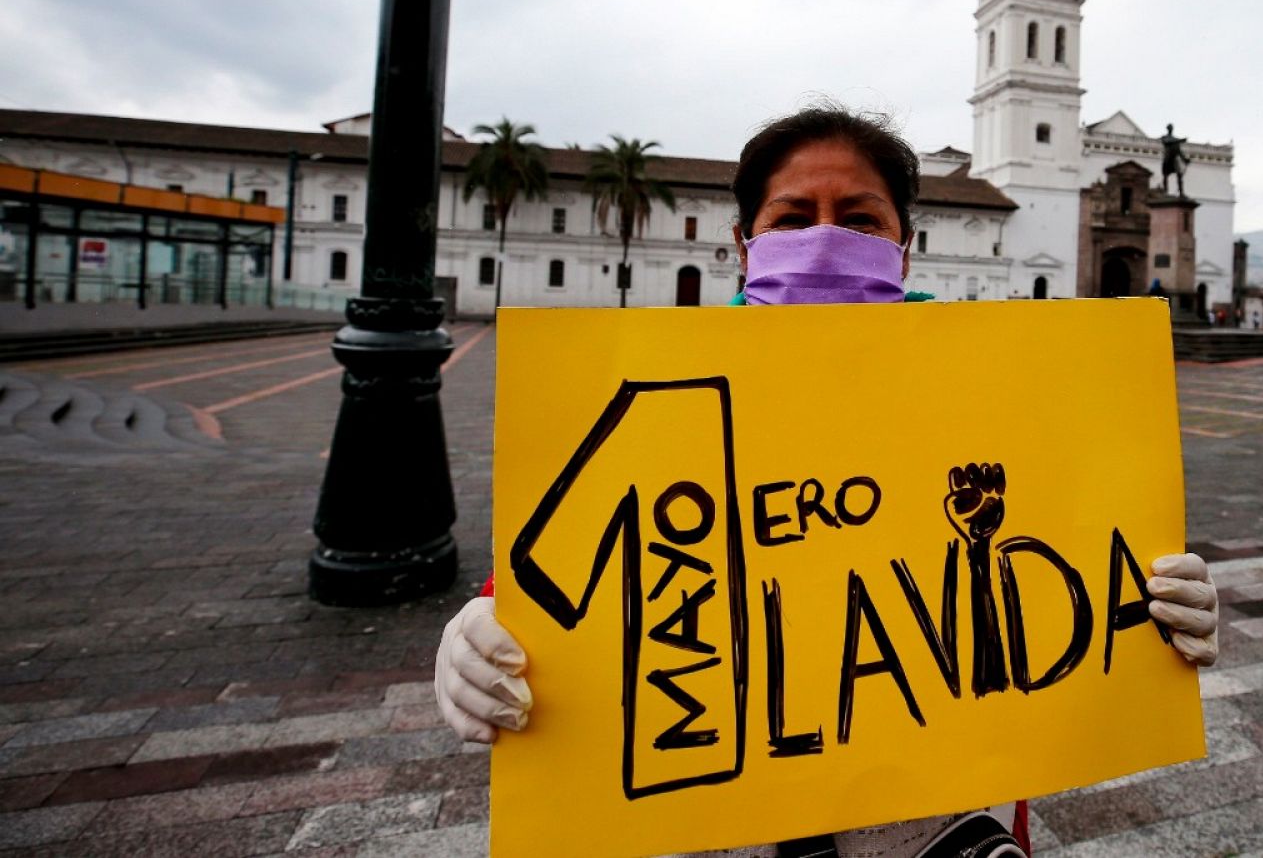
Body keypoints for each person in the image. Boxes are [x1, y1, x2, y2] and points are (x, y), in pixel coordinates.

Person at [434, 105, 1221, 858]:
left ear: (904, 246)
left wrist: (1151, 608)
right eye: (791, 216)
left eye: (859, 217)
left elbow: (1065, 554)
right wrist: (480, 636)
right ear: (745, 244)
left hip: (936, 830)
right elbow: (552, 579)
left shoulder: (997, 400)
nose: (822, 239)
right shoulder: (656, 400)